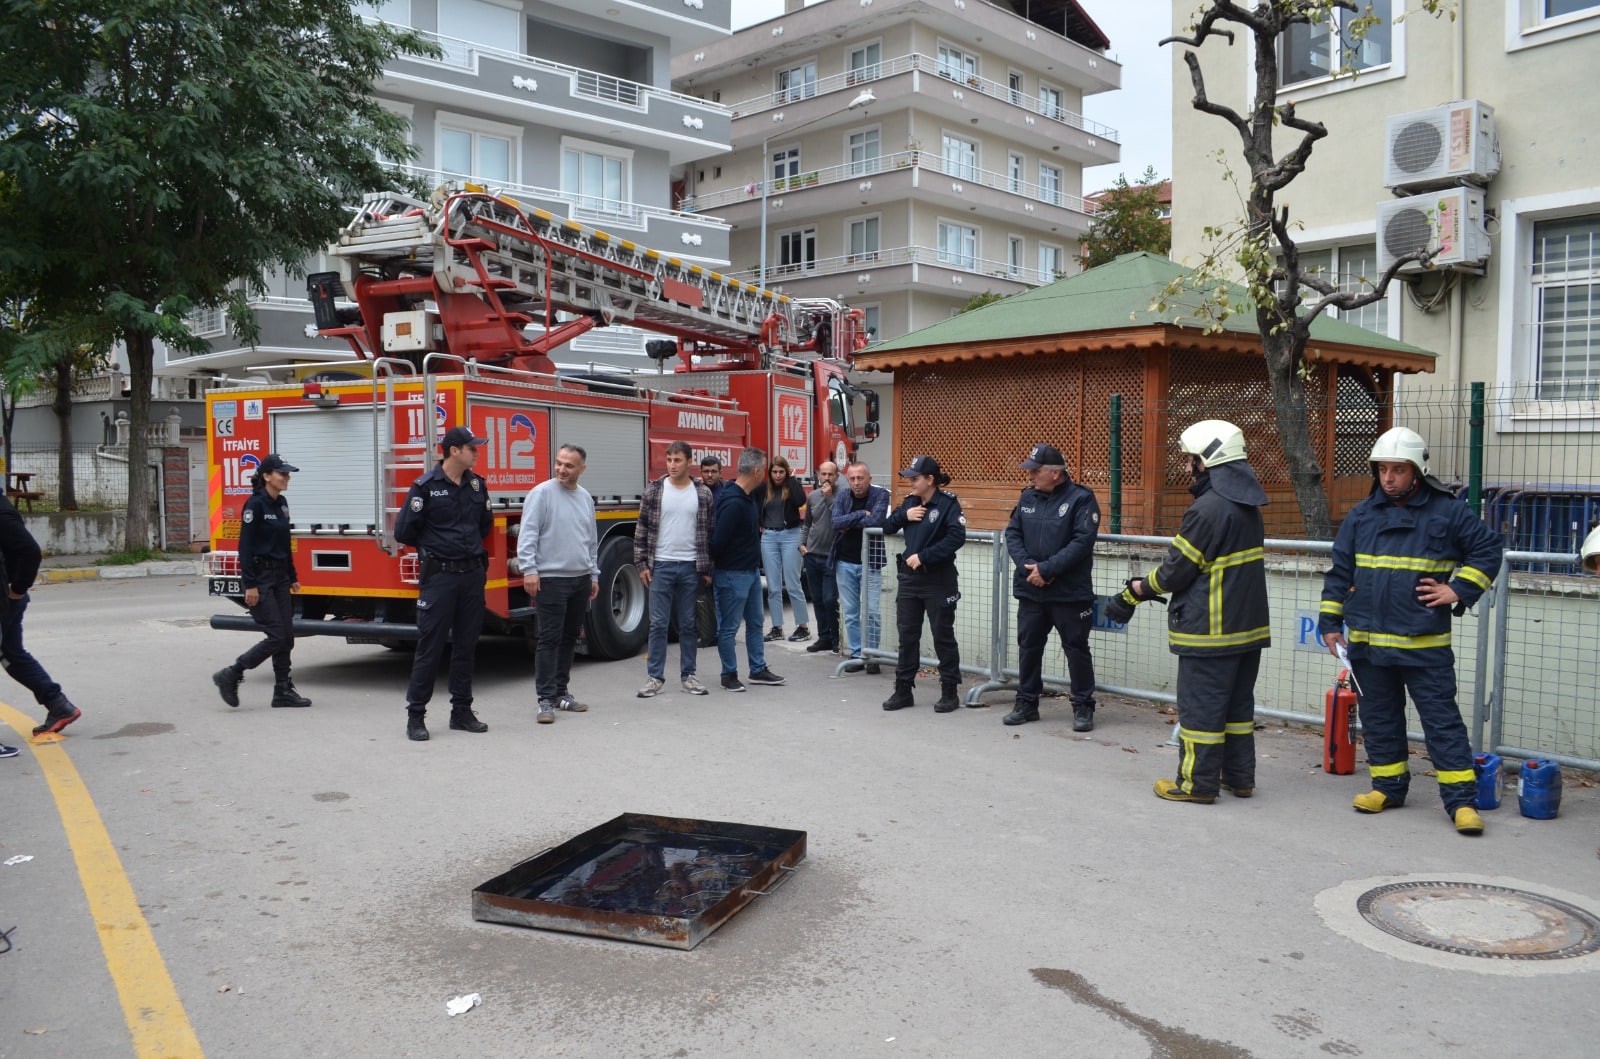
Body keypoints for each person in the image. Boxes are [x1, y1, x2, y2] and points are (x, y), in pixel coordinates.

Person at [1319, 427, 1504, 836]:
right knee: (1380, 719)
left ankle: (1461, 803)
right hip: (1368, 644)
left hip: (1424, 645)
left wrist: (1457, 588)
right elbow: (1340, 573)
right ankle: (1387, 787)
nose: (1388, 478)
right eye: (1383, 469)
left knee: (1442, 724)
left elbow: (1489, 550)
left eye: (1398, 470)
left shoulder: (1448, 511)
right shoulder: (1362, 515)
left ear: (1417, 470)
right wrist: (1330, 623)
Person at [1106, 420, 1270, 805]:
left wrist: (1136, 590)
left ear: (1209, 460)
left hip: (1209, 633)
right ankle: (1239, 778)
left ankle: (1196, 784)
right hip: (1247, 631)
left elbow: (1175, 572)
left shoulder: (1207, 509)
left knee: (1201, 713)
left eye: (1191, 460)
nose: (1186, 468)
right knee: (1237, 709)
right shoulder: (1248, 506)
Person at [395, 425, 493, 742]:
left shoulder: (478, 486)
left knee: (466, 646)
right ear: (454, 451)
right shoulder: (425, 487)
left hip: (471, 576)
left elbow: (484, 527)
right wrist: (434, 548)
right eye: (472, 448)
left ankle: (461, 712)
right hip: (440, 579)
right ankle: (415, 717)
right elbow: (404, 532)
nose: (477, 453)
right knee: (430, 648)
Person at [1002, 443, 1102, 730]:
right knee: (1029, 647)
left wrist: (1046, 570)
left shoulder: (1081, 499)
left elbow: (1082, 542)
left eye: (1036, 470)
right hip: (1031, 590)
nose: (1030, 475)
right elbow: (1013, 535)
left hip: (1069, 593)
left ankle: (1083, 706)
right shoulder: (1026, 497)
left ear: (1055, 473)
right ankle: (1026, 702)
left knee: (1076, 648)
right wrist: (1028, 568)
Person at [212, 453, 312, 710]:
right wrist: (250, 584)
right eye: (282, 474)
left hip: (280, 577)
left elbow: (285, 544)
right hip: (261, 578)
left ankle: (282, 690)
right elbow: (244, 547)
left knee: (287, 636)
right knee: (277, 636)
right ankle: (232, 673)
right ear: (267, 476)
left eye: (288, 474)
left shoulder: (282, 503)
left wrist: (292, 576)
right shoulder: (255, 505)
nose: (287, 478)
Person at [519, 444, 601, 723]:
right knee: (549, 639)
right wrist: (529, 569)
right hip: (551, 580)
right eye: (558, 463)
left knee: (570, 638)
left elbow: (590, 540)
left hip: (579, 580)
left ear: (582, 469)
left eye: (569, 465)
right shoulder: (541, 494)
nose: (561, 469)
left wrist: (593, 574)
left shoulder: (586, 498)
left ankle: (561, 693)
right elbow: (528, 533)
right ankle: (545, 699)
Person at [880, 456, 967, 712]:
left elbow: (956, 538)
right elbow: (886, 526)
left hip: (938, 580)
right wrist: (904, 515)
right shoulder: (910, 503)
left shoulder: (948, 504)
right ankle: (903, 690)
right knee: (907, 637)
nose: (910, 482)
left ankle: (949, 692)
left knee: (943, 637)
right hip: (910, 580)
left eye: (915, 478)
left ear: (930, 480)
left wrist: (925, 556)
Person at [0, 492, 81, 757]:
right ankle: (59, 704)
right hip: (8, 597)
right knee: (12, 654)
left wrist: (18, 588)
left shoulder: (1, 513)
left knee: (11, 654)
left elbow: (30, 550)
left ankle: (58, 703)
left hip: (7, 597)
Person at [635, 440, 714, 698]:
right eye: (669, 460)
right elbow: (642, 529)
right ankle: (654, 678)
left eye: (677, 460)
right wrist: (642, 564)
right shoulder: (655, 490)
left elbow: (709, 532)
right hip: (662, 566)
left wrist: (707, 567)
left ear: (689, 461)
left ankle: (689, 675)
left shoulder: (702, 493)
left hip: (691, 566)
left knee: (689, 624)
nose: (672, 465)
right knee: (658, 623)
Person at [709, 447, 786, 691]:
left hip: (750, 572)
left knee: (755, 623)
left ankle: (758, 669)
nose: (764, 474)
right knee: (729, 628)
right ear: (756, 471)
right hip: (733, 574)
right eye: (763, 470)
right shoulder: (733, 502)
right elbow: (717, 542)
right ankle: (728, 674)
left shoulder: (746, 497)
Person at [832, 461, 890, 674]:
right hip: (844, 562)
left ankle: (871, 655)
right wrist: (860, 515)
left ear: (869, 478)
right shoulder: (842, 496)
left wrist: (851, 522)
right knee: (850, 613)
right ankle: (857, 654)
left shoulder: (881, 495)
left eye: (860, 478)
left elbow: (876, 521)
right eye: (852, 478)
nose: (856, 483)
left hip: (870, 562)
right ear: (848, 479)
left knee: (872, 611)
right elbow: (835, 522)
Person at [754, 455, 810, 642]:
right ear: (769, 473)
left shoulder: (791, 487)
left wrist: (793, 480)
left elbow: (800, 500)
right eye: (774, 472)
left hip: (791, 534)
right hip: (769, 536)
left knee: (793, 583)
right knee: (773, 586)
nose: (778, 476)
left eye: (781, 472)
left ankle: (803, 627)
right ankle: (777, 627)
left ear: (786, 472)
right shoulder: (763, 489)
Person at [800, 461, 840, 654]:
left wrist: (830, 498)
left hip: (831, 557)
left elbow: (840, 520)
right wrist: (802, 543)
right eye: (823, 474)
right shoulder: (813, 496)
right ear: (818, 475)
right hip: (812, 555)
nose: (826, 478)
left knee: (830, 599)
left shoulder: (842, 496)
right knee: (816, 599)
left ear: (837, 477)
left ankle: (836, 638)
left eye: (830, 474)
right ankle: (823, 637)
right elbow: (807, 523)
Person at [695, 455, 726, 649]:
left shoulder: (724, 493)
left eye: (713, 471)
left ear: (720, 473)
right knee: (703, 595)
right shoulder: (695, 491)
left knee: (720, 595)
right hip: (703, 548)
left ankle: (722, 634)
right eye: (706, 471)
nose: (709, 475)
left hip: (720, 548)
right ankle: (708, 634)